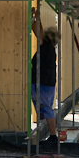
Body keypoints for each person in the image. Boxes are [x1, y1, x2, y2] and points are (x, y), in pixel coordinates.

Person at [31, 10, 59, 139]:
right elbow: (39, 32)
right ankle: (49, 135)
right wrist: (35, 18)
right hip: (47, 83)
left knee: (46, 109)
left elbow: (38, 31)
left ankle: (53, 136)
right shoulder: (50, 48)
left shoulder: (46, 46)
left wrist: (35, 18)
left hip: (42, 83)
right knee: (45, 108)